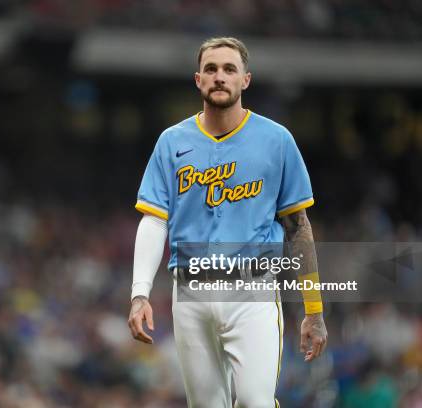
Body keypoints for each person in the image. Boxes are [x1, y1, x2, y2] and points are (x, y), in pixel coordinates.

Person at [127, 37, 328, 408]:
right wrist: (140, 292)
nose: (220, 76)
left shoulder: (276, 140)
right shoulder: (171, 141)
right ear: (198, 80)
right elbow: (154, 221)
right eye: (211, 69)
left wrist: (313, 309)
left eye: (229, 69)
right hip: (189, 291)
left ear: (245, 80)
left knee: (255, 401)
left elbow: (298, 226)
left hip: (252, 291)